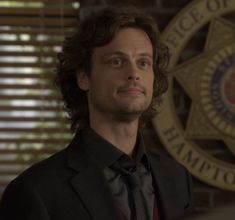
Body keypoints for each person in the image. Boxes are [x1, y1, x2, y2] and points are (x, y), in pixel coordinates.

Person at [0, 6, 194, 220]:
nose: (133, 74)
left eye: (143, 62)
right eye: (117, 61)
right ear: (84, 77)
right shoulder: (35, 191)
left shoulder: (176, 178)